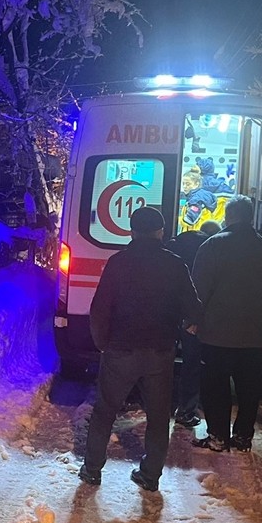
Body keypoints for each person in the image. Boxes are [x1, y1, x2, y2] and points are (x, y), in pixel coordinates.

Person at [80, 206, 202, 493]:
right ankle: (150, 475)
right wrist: (188, 326)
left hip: (120, 350)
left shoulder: (118, 263)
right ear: (161, 232)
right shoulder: (176, 264)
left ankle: (93, 470)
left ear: (132, 232)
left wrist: (102, 344)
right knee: (159, 417)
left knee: (105, 411)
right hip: (160, 352)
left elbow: (99, 309)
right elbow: (194, 309)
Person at [191, 196, 262, 453]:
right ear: (251, 218)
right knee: (248, 389)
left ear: (228, 217)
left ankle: (218, 435)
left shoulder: (212, 246)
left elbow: (199, 289)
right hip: (253, 333)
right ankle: (243, 436)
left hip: (216, 333)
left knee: (216, 387)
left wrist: (193, 322)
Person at [168, 220, 221, 429]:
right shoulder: (211, 249)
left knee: (160, 358)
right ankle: (186, 411)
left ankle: (156, 405)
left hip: (168, 308)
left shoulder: (180, 241)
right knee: (191, 363)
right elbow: (203, 287)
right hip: (191, 314)